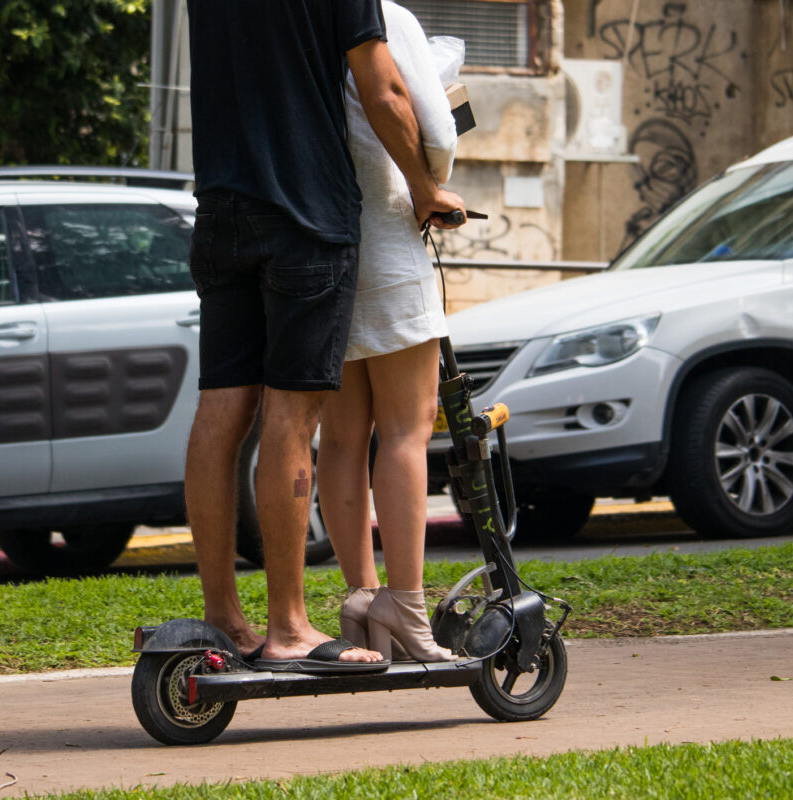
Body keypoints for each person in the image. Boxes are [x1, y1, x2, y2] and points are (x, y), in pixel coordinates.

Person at [183, 0, 464, 673]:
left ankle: (223, 615)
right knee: (290, 416)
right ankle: (287, 628)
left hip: (221, 208)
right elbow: (384, 88)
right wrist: (425, 188)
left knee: (221, 410)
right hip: (305, 217)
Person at [316, 1, 458, 663]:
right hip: (388, 233)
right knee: (408, 427)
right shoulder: (385, 14)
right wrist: (434, 184)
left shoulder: (295, 19)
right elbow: (433, 127)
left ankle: (361, 595)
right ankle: (405, 601)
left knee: (342, 437)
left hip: (324, 239)